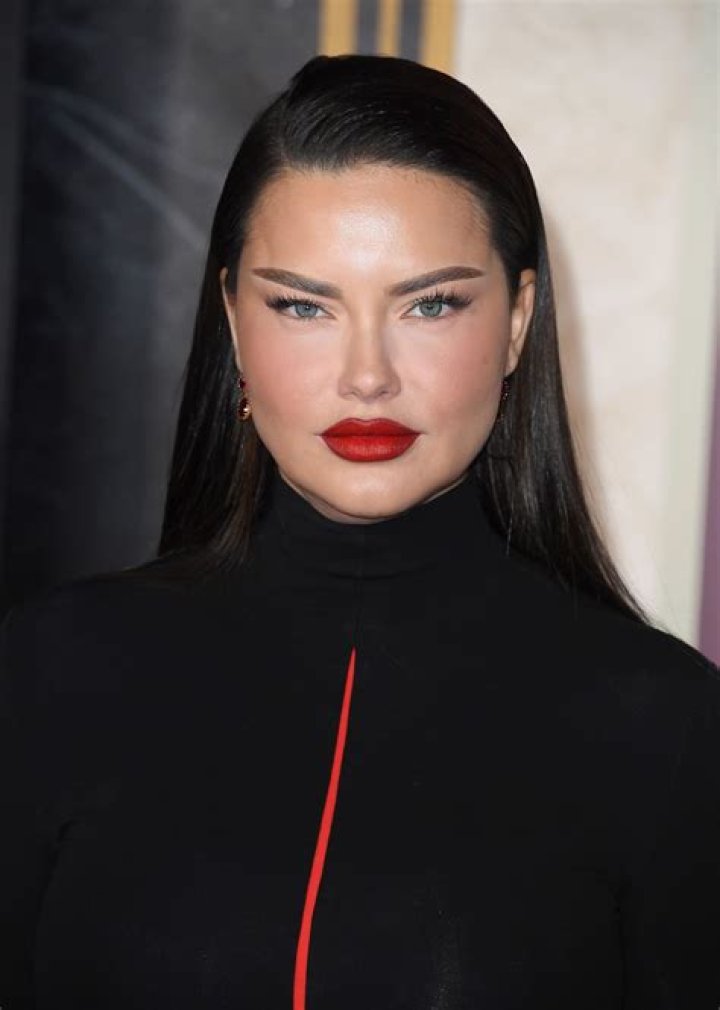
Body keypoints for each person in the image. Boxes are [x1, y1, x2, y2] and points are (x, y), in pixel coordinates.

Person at [0, 52, 718, 1010]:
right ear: (233, 319)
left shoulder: (665, 725)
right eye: (304, 305)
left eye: (431, 303)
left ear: (516, 322)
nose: (367, 374)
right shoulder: (50, 668)